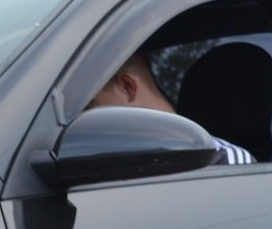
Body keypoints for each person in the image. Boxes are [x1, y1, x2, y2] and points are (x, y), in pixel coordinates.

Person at [86, 50, 256, 165]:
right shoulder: (113, 165)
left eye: (89, 107)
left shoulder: (223, 162)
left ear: (127, 87)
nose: (83, 123)